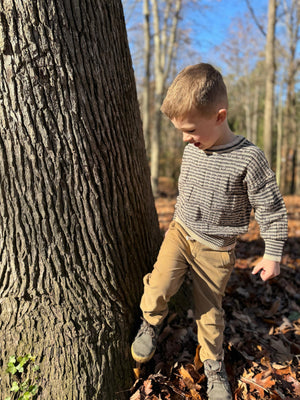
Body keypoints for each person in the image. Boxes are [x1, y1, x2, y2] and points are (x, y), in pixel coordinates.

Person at [131, 63, 288, 400]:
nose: (186, 139)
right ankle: (150, 321)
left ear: (219, 116)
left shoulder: (249, 158)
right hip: (180, 232)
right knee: (159, 284)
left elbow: (271, 207)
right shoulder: (193, 149)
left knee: (209, 312)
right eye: (181, 132)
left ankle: (214, 365)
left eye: (190, 130)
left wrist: (273, 252)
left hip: (216, 249)